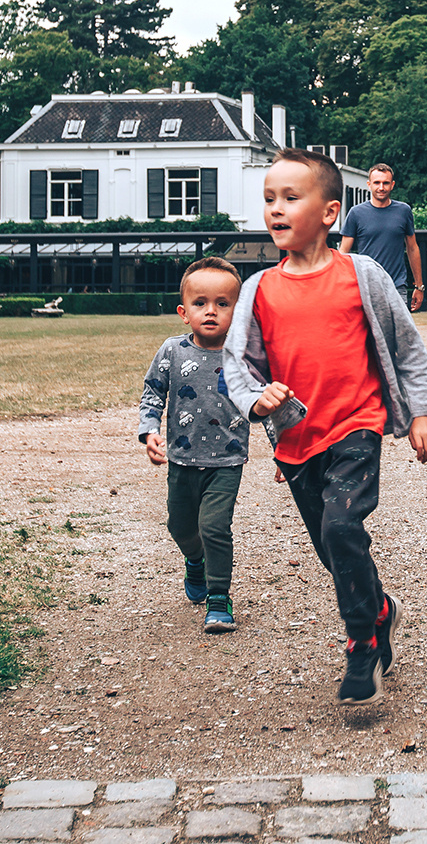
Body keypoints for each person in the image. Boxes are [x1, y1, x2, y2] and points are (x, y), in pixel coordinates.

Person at [224, 148, 427, 704]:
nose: (276, 209)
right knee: (331, 547)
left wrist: (421, 411)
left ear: (329, 213)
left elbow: (407, 347)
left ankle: (361, 641)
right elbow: (239, 365)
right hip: (298, 440)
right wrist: (257, 400)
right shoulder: (258, 290)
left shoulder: (361, 275)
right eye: (269, 199)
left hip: (356, 425)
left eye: (290, 198)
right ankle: (382, 607)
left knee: (342, 529)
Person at [136, 256, 249, 634]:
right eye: (201, 303)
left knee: (215, 526)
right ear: (184, 312)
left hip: (227, 460)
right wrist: (149, 430)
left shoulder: (244, 357)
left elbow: (264, 403)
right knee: (181, 526)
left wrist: (282, 449)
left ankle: (219, 598)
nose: (211, 311)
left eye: (223, 303)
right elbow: (153, 393)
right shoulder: (172, 351)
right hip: (182, 459)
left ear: (238, 308)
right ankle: (194, 560)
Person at [340, 162, 424, 312]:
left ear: (392, 185)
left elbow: (412, 248)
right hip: (366, 287)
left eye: (385, 183)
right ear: (369, 184)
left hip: (397, 286)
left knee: (399, 335)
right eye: (377, 183)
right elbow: (343, 253)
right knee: (368, 334)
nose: (381, 187)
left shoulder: (404, 211)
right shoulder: (356, 213)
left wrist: (419, 286)